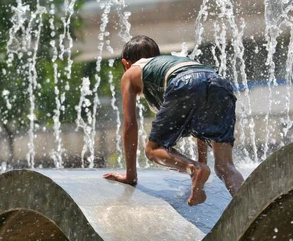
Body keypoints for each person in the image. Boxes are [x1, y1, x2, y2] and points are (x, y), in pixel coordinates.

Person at [103, 35, 244, 206]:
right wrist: (202, 162)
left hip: (185, 82)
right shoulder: (171, 63)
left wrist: (131, 176)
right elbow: (200, 125)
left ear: (126, 63)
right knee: (225, 167)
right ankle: (253, 211)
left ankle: (192, 169)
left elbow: (130, 124)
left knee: (153, 150)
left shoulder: (132, 72)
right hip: (220, 85)